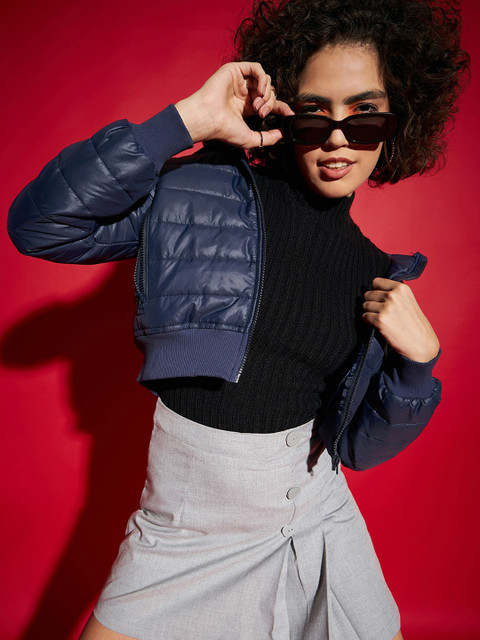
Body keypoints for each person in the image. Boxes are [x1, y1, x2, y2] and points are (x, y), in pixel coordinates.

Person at [7, 0, 469, 638]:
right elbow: (41, 225)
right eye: (315, 113)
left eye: (365, 114)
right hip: (190, 520)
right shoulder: (203, 194)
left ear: (399, 121)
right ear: (285, 112)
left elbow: (359, 448)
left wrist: (419, 366)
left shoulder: (373, 270)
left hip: (314, 508)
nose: (338, 138)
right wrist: (183, 121)